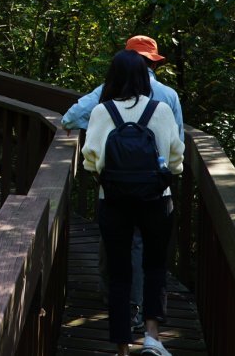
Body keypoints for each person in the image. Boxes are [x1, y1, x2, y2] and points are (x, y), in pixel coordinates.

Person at [61, 34, 184, 331]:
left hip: (113, 193)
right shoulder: (167, 98)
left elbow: (71, 119)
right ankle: (146, 318)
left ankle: (121, 321)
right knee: (150, 258)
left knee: (118, 259)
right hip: (156, 193)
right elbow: (176, 146)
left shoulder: (105, 99)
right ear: (150, 63)